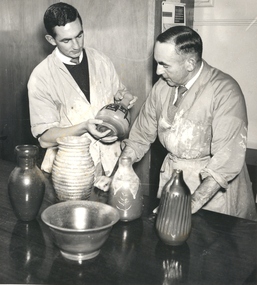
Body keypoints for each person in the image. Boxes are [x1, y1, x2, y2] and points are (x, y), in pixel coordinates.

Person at [121, 25, 257, 220]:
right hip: (173, 182)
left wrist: (188, 205)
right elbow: (139, 137)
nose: (158, 71)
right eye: (157, 63)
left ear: (190, 64)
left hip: (213, 194)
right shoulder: (162, 89)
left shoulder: (225, 92)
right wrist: (121, 170)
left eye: (165, 65)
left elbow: (225, 162)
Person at [27, 2, 136, 189]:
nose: (76, 45)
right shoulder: (41, 77)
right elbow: (45, 137)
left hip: (110, 165)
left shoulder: (101, 61)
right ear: (51, 40)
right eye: (66, 40)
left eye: (79, 35)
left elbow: (119, 99)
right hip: (69, 171)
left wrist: (123, 103)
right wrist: (85, 127)